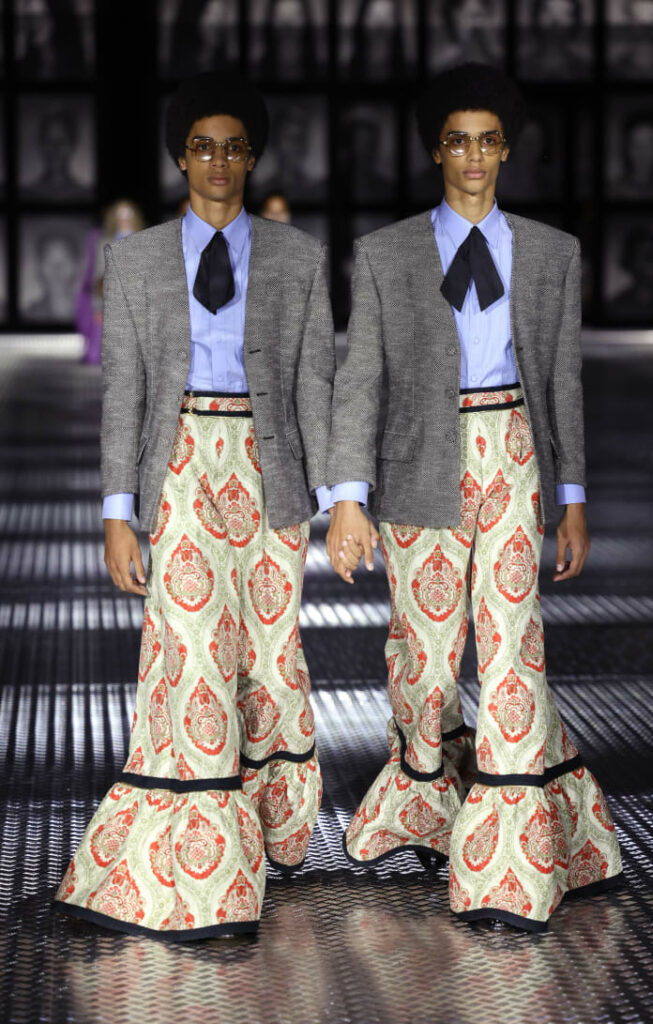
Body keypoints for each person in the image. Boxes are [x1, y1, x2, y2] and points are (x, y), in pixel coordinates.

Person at [325, 62, 623, 932]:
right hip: (419, 464)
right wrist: (348, 498)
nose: (474, 157)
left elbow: (561, 383)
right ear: (436, 150)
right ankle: (425, 801)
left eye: (489, 141)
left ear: (506, 150)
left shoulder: (550, 254)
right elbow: (360, 380)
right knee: (422, 657)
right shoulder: (386, 254)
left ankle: (512, 861)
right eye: (458, 141)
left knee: (512, 644)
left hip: (513, 453)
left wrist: (571, 497)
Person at [55, 70, 336, 940]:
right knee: (190, 652)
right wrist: (117, 512)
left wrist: (344, 499)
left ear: (252, 157)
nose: (218, 161)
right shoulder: (136, 259)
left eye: (233, 147)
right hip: (178, 465)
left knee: (268, 657)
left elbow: (314, 382)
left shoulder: (297, 256)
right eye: (202, 147)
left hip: (270, 471)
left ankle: (271, 833)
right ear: (181, 158)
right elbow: (124, 391)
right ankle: (203, 879)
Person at [77, 200, 145, 365]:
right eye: (120, 214)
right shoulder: (105, 242)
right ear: (114, 217)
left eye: (128, 213)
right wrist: (97, 307)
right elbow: (98, 277)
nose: (124, 217)